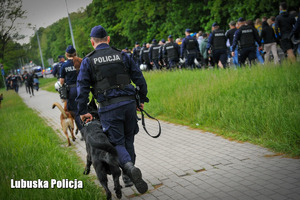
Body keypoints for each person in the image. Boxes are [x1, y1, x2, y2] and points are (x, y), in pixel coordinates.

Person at [76, 25, 149, 194]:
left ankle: (129, 169)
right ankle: (129, 175)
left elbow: (82, 88)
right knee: (129, 139)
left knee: (117, 142)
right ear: (108, 39)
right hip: (129, 104)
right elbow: (139, 78)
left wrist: (82, 110)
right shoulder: (122, 55)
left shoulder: (89, 60)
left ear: (92, 42)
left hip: (109, 107)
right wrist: (141, 99)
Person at [60, 45, 83, 133]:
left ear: (66, 54)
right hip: (81, 88)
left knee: (76, 112)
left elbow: (61, 81)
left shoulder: (64, 65)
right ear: (75, 53)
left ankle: (83, 131)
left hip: (72, 91)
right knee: (84, 108)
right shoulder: (81, 61)